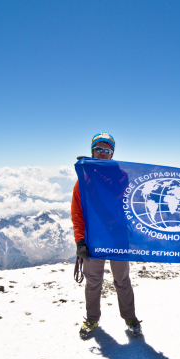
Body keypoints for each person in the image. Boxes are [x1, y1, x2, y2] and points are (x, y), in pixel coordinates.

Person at [71, 133, 141, 340]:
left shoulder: (121, 176)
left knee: (122, 280)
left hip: (118, 237)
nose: (102, 153)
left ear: (112, 154)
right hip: (94, 239)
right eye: (98, 149)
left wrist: (94, 173)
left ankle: (130, 318)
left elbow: (119, 194)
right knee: (93, 281)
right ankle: (92, 318)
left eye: (107, 150)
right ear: (92, 150)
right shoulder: (82, 181)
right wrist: (80, 239)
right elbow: (77, 212)